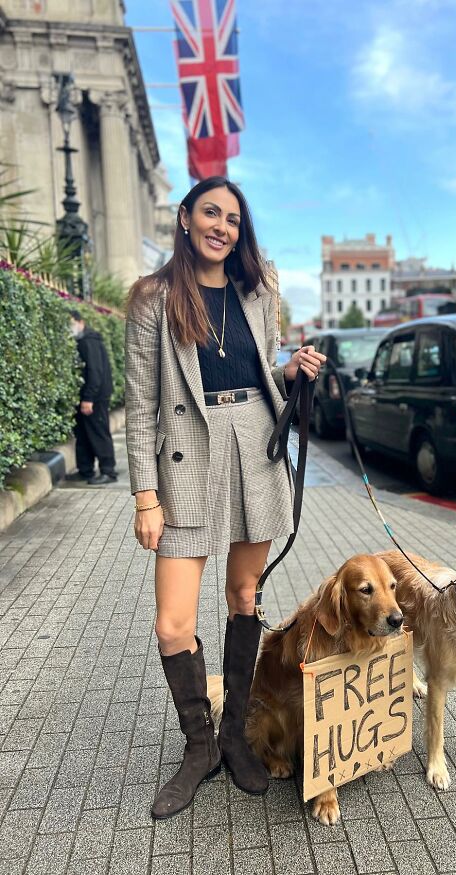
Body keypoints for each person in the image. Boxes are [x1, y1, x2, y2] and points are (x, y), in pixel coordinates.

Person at [125, 176, 325, 820]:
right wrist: (144, 496)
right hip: (187, 452)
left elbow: (256, 371)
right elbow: (139, 407)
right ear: (184, 219)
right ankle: (199, 748)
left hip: (254, 448)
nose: (222, 226)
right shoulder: (152, 298)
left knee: (245, 596)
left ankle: (237, 736)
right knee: (173, 623)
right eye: (210, 212)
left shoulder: (256, 290)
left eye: (233, 219)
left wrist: (289, 372)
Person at [68, 310, 117, 485]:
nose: (69, 326)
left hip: (94, 398)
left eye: (71, 322)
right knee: (82, 433)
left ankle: (108, 471)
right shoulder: (83, 340)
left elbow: (95, 371)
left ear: (80, 321)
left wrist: (89, 398)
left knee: (98, 432)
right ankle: (85, 470)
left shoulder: (89, 341)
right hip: (88, 396)